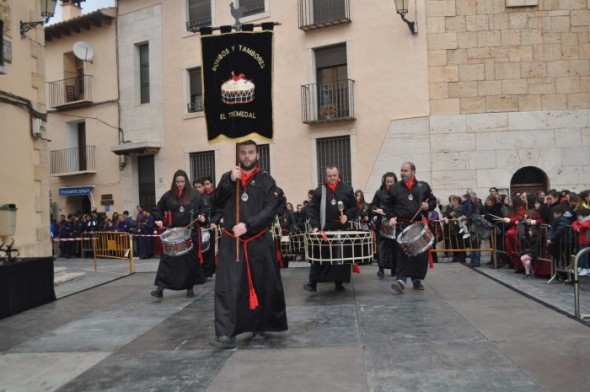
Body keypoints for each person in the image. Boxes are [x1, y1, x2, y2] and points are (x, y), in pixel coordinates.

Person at [209, 140, 287, 349]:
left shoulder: (266, 180)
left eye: (250, 153)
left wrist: (249, 225)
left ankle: (258, 325)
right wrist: (228, 182)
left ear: (257, 155)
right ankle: (226, 332)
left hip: (256, 240)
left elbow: (270, 209)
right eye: (243, 153)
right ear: (238, 155)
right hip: (231, 242)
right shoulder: (229, 177)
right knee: (228, 286)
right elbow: (214, 202)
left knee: (261, 284)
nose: (246, 157)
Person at [151, 169, 208, 299]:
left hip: (190, 232)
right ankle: (160, 289)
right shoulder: (168, 195)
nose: (180, 184)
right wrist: (158, 219)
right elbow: (158, 208)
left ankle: (189, 288)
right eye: (178, 182)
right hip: (173, 233)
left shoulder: (195, 194)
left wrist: (203, 217)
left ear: (186, 181)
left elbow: (204, 209)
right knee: (167, 260)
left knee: (189, 262)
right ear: (174, 182)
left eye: (182, 181)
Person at [386, 162, 437, 294]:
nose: (402, 173)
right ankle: (401, 281)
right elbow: (387, 205)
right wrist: (391, 216)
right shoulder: (394, 188)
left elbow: (433, 201)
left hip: (418, 225)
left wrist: (428, 205)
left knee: (419, 255)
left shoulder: (423, 186)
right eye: (401, 170)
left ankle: (416, 280)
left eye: (405, 170)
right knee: (403, 253)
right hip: (402, 225)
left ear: (413, 172)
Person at [303, 166, 356, 293]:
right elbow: (313, 211)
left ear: (338, 175)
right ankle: (313, 283)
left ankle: (339, 283)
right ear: (325, 176)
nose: (332, 178)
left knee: (340, 257)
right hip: (324, 227)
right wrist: (315, 225)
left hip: (341, 227)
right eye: (330, 175)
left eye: (334, 175)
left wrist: (347, 216)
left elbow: (354, 207)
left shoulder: (347, 189)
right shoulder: (318, 191)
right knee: (320, 255)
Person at [369, 172, 398, 278]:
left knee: (394, 247)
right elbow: (372, 206)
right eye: (387, 181)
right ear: (384, 182)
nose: (389, 184)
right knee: (381, 246)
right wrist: (377, 209)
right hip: (381, 222)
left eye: (391, 182)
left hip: (394, 222)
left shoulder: (398, 193)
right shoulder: (379, 192)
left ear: (395, 182)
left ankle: (394, 269)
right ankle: (381, 268)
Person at [571, 207, 590, 276]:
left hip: (586, 241)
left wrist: (578, 227)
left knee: (584, 255)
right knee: (581, 254)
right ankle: (581, 267)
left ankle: (585, 268)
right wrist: (577, 227)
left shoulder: (587, 220)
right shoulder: (582, 221)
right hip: (581, 241)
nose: (578, 217)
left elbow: (585, 225)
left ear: (584, 215)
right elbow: (574, 223)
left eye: (579, 215)